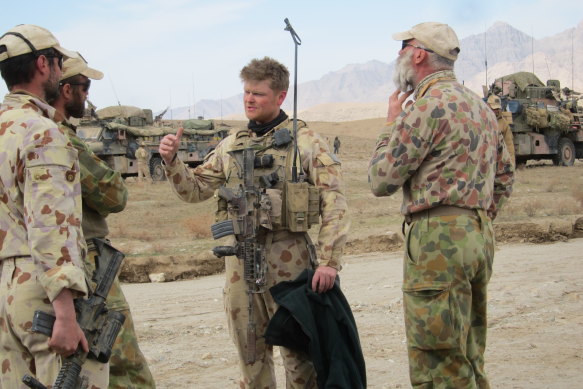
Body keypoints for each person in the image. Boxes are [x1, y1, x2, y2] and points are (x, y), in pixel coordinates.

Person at [159, 56, 350, 388]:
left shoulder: (305, 142)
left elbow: (335, 202)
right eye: (246, 92)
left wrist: (330, 261)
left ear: (280, 96)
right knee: (251, 359)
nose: (249, 99)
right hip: (240, 264)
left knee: (300, 359)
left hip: (289, 263)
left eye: (258, 94)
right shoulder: (231, 145)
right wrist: (172, 160)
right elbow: (195, 190)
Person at [368, 22, 514, 388]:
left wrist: (390, 125)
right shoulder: (481, 108)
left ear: (418, 54)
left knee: (437, 359)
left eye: (402, 47)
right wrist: (472, 216)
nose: (398, 55)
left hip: (437, 242)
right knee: (468, 350)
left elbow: (381, 180)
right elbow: (506, 176)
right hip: (478, 236)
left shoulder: (425, 108)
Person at [0, 24, 108, 388]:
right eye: (60, 62)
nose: (62, 71)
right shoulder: (42, 131)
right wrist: (65, 311)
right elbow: (51, 224)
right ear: (44, 64)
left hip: (6, 290)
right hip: (42, 290)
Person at [49, 54, 157, 389]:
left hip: (32, 271)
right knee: (123, 367)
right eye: (84, 86)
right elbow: (114, 196)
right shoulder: (59, 137)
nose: (88, 95)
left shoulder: (15, 128)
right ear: (66, 90)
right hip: (86, 266)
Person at [487, 94, 516, 164]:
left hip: (497, 159)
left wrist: (511, 163)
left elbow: (509, 145)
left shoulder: (503, 123)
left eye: (497, 109)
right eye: (493, 109)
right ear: (487, 106)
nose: (496, 111)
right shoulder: (481, 119)